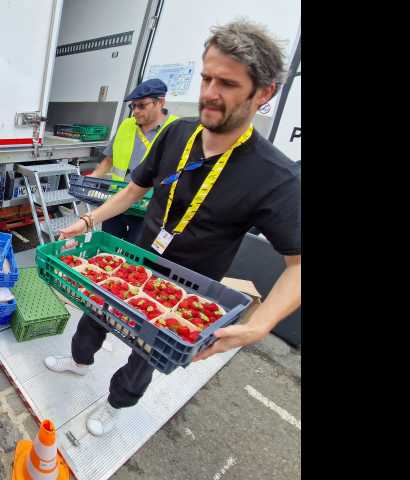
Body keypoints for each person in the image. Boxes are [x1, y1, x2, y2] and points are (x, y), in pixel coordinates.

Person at [46, 19, 301, 437]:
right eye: (206, 78)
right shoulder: (177, 133)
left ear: (264, 93)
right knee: (96, 309)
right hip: (136, 260)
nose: (209, 94)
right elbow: (132, 191)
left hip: (189, 290)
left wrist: (260, 325)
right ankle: (79, 361)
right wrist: (89, 220)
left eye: (227, 84)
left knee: (146, 352)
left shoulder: (274, 175)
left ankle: (116, 404)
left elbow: (297, 263)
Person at [90, 79, 179, 243]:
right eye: (133, 106)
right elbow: (109, 159)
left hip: (147, 209)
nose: (135, 111)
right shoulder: (127, 125)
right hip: (116, 201)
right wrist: (90, 181)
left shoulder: (176, 130)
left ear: (160, 102)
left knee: (134, 255)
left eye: (142, 105)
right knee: (106, 247)